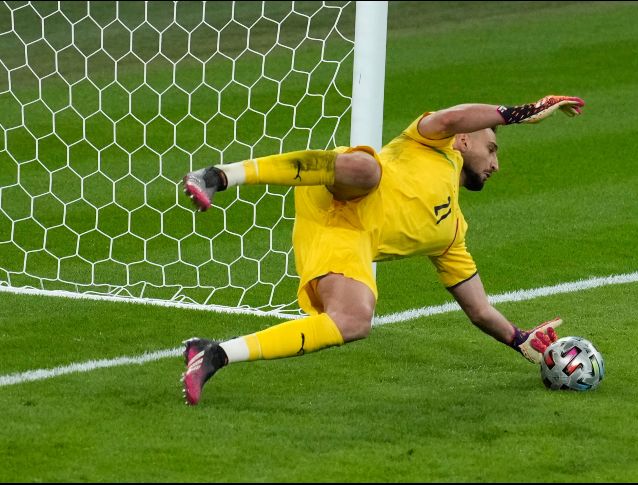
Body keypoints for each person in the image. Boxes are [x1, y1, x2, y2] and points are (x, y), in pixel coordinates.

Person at [180, 95, 585, 405]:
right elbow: (449, 117)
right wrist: (518, 113)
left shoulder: (450, 234)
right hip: (340, 186)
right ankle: (218, 175)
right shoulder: (431, 142)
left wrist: (519, 340)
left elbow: (478, 309)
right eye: (492, 149)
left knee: (355, 321)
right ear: (464, 140)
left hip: (340, 236)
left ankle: (214, 354)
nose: (496, 164)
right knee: (368, 169)